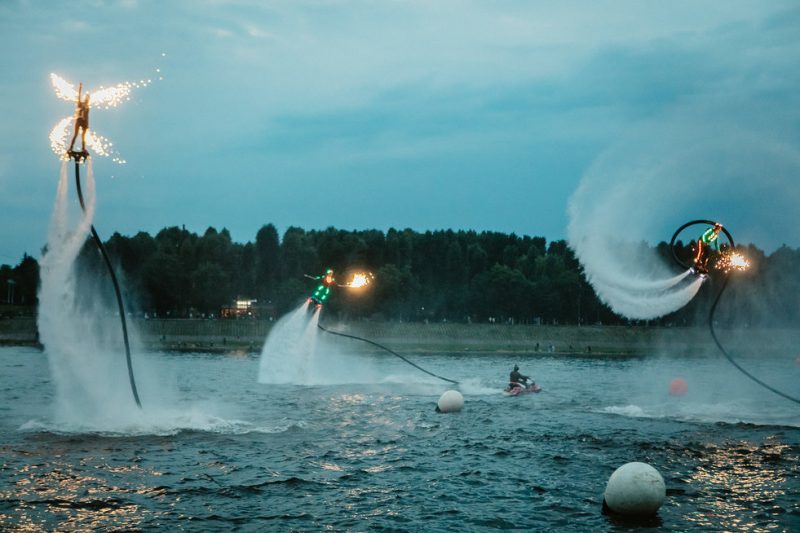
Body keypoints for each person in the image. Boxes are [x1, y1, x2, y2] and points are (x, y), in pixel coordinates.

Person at [68, 82, 91, 155]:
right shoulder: (80, 104)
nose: (87, 99)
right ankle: (71, 147)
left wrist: (87, 125)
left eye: (88, 98)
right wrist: (80, 88)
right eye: (86, 98)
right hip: (79, 120)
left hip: (84, 122)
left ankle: (83, 148)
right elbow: (78, 96)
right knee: (75, 134)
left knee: (83, 136)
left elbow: (87, 116)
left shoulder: (87, 107)